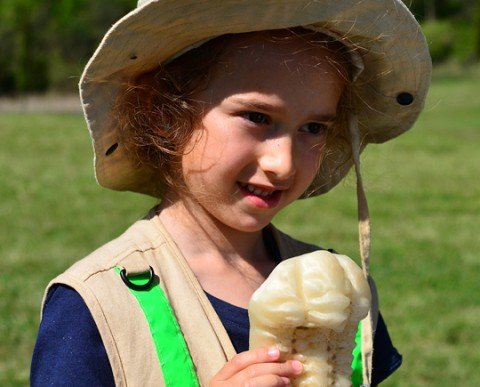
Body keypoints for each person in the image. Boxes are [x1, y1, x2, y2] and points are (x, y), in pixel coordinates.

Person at [31, 0, 431, 386]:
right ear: (164, 110)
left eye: (313, 128)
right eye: (257, 117)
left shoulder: (342, 295)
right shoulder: (96, 304)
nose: (284, 163)